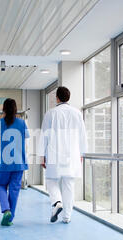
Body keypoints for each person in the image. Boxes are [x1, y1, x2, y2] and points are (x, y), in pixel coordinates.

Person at [37, 86, 87, 224]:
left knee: (51, 180)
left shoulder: (51, 113)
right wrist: (82, 153)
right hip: (72, 154)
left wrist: (41, 155)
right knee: (69, 185)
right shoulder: (77, 113)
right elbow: (82, 135)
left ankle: (57, 202)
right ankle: (67, 217)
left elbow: (44, 135)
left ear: (57, 98)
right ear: (68, 98)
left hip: (54, 153)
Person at [0, 98, 29, 226]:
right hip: (18, 163)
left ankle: (6, 210)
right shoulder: (22, 123)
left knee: (0, 185)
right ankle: (10, 217)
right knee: (14, 190)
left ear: (3, 109)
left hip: (3, 163)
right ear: (15, 109)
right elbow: (26, 139)